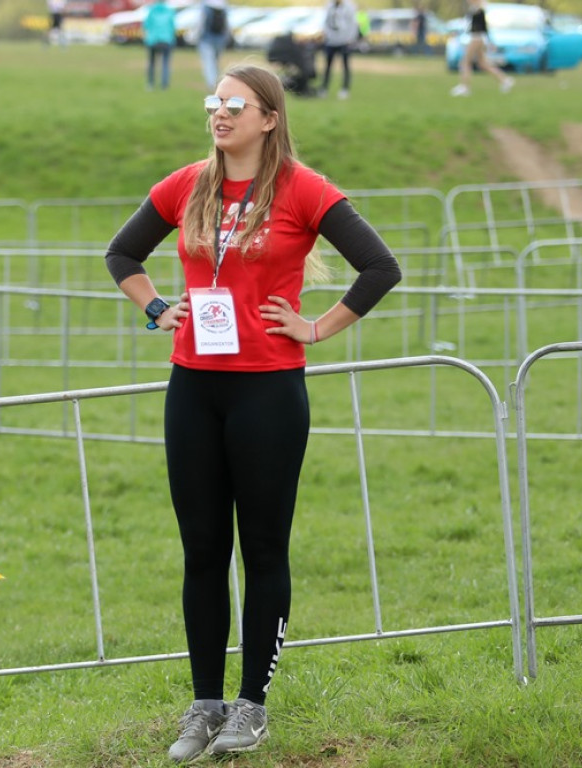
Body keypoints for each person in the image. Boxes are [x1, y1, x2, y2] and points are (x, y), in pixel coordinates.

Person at [104, 64, 401, 762]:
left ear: (268, 116)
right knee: (202, 549)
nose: (219, 112)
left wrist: (317, 327)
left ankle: (251, 707)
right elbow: (122, 252)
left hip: (268, 391)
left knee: (263, 548)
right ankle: (204, 704)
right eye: (213, 102)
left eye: (234, 103)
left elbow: (380, 267)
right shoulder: (188, 183)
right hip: (193, 387)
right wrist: (155, 307)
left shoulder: (303, 187)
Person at [450, 0, 513, 96]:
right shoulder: (475, 9)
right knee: (482, 64)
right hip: (477, 38)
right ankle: (504, 80)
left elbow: (483, 28)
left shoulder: (479, 10)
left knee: (465, 62)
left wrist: (490, 41)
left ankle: (464, 87)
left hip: (477, 38)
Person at [319, 0, 360, 99]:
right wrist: (327, 35)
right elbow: (326, 22)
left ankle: (345, 89)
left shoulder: (350, 6)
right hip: (331, 40)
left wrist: (350, 38)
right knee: (328, 66)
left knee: (345, 66)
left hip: (344, 41)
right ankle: (324, 88)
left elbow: (353, 24)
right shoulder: (329, 6)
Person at [143, 0, 177, 91]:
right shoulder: (169, 11)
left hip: (153, 40)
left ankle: (150, 84)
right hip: (166, 40)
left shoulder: (152, 10)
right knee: (165, 63)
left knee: (152, 63)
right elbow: (173, 26)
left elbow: (146, 25)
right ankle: (164, 85)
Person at [198, 0, 231, 93]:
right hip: (220, 39)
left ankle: (212, 84)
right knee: (216, 62)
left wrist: (197, 36)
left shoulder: (205, 5)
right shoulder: (223, 5)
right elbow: (227, 23)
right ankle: (219, 82)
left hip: (206, 38)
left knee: (209, 63)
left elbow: (201, 22)